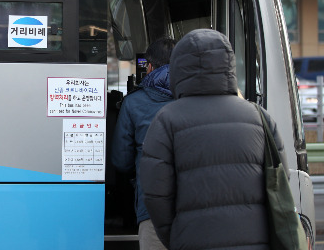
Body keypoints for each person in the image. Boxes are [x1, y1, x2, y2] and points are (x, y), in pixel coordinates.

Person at [140, 29, 289, 249]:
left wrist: (176, 237)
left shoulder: (166, 120)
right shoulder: (260, 117)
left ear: (178, 69)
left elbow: (155, 194)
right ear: (228, 65)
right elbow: (279, 184)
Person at [111, 37, 176, 250]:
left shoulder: (133, 102)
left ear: (149, 67)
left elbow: (121, 160)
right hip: (194, 210)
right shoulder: (194, 99)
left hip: (151, 207)